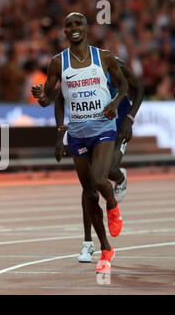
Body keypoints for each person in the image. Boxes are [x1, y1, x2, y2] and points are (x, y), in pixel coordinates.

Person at [31, 12, 128, 274]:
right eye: (69, 25)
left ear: (86, 28)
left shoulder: (103, 57)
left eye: (78, 24)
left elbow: (123, 86)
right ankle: (105, 249)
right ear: (64, 32)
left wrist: (115, 104)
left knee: (99, 179)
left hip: (103, 127)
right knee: (88, 194)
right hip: (77, 133)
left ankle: (114, 207)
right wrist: (41, 96)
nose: (74, 28)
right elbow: (49, 99)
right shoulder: (57, 63)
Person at [54, 57, 144, 263]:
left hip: (116, 124)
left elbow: (138, 88)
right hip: (88, 127)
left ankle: (119, 177)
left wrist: (129, 119)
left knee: (108, 171)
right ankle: (88, 243)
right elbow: (59, 97)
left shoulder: (114, 65)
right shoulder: (75, 71)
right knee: (89, 185)